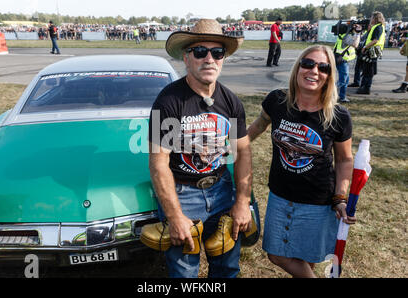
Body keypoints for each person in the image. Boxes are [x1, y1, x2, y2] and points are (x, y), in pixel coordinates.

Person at [148, 19, 253, 278]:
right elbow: (158, 161)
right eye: (200, 52)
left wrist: (242, 201)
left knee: (227, 267)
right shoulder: (167, 101)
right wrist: (174, 215)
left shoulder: (231, 101)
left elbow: (244, 152)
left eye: (217, 53)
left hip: (221, 189)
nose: (209, 59)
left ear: (223, 59)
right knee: (184, 271)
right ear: (186, 57)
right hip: (182, 193)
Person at [247, 45, 356, 278]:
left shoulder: (338, 116)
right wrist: (229, 148)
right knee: (276, 254)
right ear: (298, 68)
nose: (314, 71)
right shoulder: (277, 101)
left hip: (317, 200)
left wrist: (340, 197)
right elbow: (257, 127)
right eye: (308, 63)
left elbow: (345, 160)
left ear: (329, 76)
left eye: (323, 67)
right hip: (280, 195)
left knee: (306, 257)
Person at [357, 12, 385, 95]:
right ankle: (364, 87)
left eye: (372, 17)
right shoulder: (378, 27)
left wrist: (365, 47)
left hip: (373, 50)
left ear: (375, 18)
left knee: (368, 70)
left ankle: (366, 88)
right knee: (368, 69)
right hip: (374, 50)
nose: (371, 19)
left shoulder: (378, 27)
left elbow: (375, 40)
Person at [333, 25, 357, 103]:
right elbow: (356, 45)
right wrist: (358, 33)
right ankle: (329, 93)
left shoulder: (343, 35)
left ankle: (342, 97)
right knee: (342, 81)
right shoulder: (346, 37)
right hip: (342, 60)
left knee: (345, 80)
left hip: (341, 59)